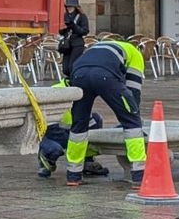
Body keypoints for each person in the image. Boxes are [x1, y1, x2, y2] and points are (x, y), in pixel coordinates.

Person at [61, 39, 146, 187]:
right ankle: (139, 175)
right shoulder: (135, 53)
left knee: (79, 125)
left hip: (79, 73)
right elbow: (133, 91)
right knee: (132, 124)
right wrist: (132, 113)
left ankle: (73, 175)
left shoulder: (97, 47)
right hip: (105, 75)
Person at [36, 79, 107, 179]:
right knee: (55, 149)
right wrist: (75, 142)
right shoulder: (57, 92)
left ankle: (87, 160)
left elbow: (87, 119)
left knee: (95, 120)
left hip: (70, 129)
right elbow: (49, 126)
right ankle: (46, 157)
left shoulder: (82, 89)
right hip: (53, 133)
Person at [57, 0, 89, 75]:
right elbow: (62, 31)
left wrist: (74, 27)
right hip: (67, 45)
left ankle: (73, 82)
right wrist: (63, 29)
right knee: (65, 68)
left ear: (75, 7)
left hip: (77, 44)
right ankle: (69, 81)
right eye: (67, 7)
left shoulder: (82, 16)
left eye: (70, 7)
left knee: (72, 66)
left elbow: (85, 31)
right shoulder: (65, 15)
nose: (69, 8)